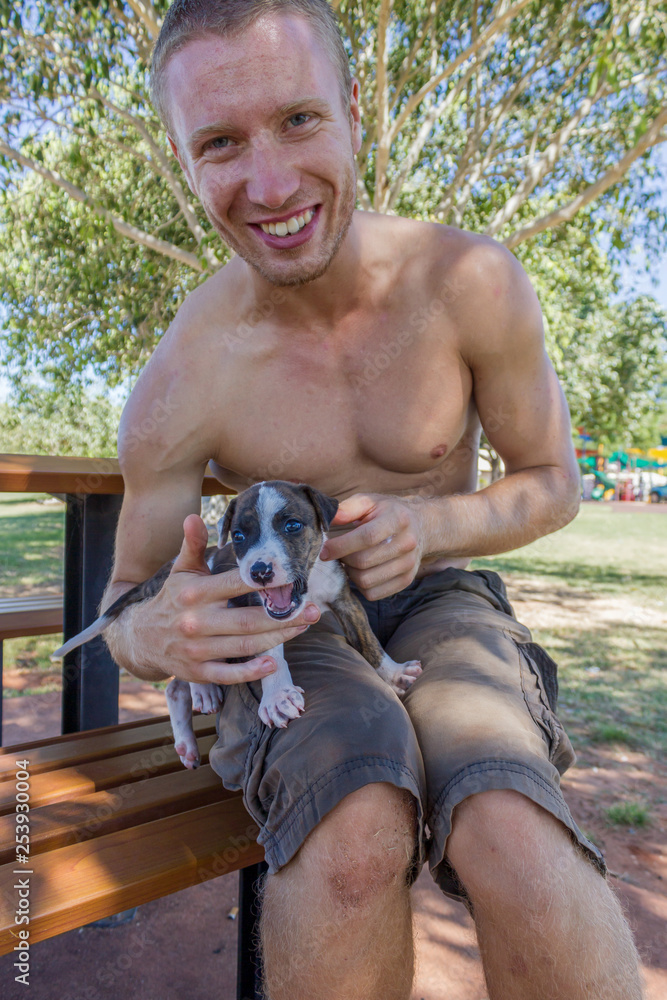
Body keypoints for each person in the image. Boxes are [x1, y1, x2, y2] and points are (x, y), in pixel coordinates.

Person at [103, 1, 643, 997]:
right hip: (293, 625)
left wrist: (430, 524)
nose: (269, 185)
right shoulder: (180, 381)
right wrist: (160, 632)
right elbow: (125, 605)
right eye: (220, 141)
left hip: (443, 602)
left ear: (354, 108)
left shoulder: (470, 281)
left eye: (299, 120)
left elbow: (553, 481)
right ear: (182, 159)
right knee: (350, 826)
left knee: (514, 833)